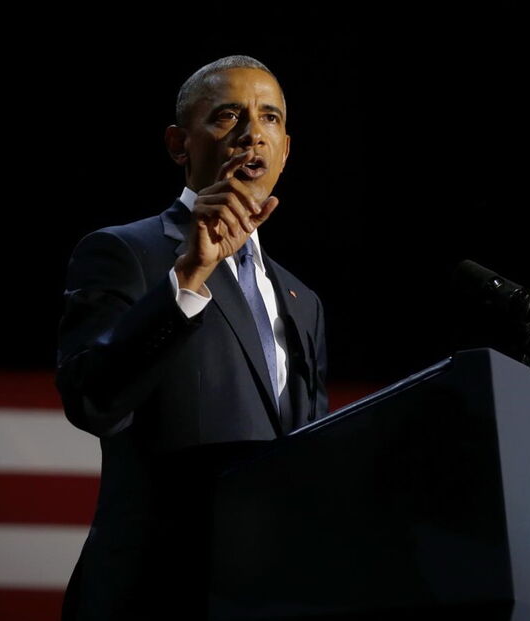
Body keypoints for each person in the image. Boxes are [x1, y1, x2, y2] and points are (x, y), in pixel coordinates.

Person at [54, 55, 329, 620]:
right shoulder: (125, 251)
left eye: (271, 118)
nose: (254, 133)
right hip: (156, 591)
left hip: (267, 593)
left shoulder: (305, 303)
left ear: (286, 149)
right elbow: (91, 400)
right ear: (180, 144)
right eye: (229, 116)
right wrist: (186, 279)